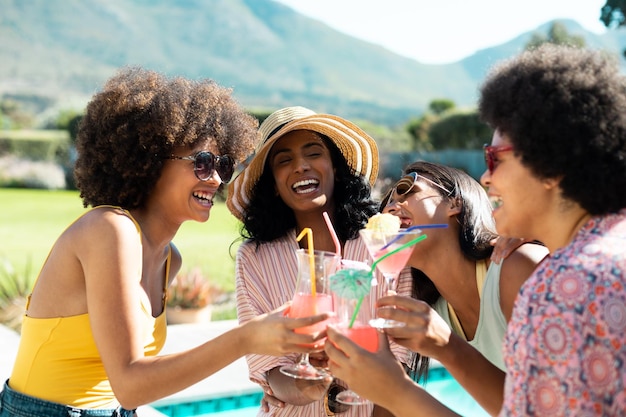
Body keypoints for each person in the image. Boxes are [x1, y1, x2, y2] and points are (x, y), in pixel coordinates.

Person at [0, 68, 335, 417]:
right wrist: (247, 338)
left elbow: (136, 384)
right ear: (149, 160)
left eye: (222, 164)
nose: (217, 178)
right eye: (202, 162)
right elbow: (130, 385)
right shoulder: (108, 230)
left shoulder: (168, 258)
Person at [325, 44, 626, 416]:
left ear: (551, 163)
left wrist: (397, 392)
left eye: (494, 158)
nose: (485, 176)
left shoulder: (562, 283)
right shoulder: (607, 250)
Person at [227, 106, 411, 417]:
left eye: (313, 153)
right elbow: (268, 368)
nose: (300, 166)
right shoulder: (255, 258)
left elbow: (400, 357)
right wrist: (307, 386)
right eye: (284, 160)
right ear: (273, 182)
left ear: (335, 168)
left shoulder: (382, 243)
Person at [377, 161, 547, 414]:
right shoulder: (430, 311)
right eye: (385, 204)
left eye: (407, 189)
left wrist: (446, 347)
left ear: (455, 202)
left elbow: (552, 404)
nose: (390, 207)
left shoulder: (518, 268)